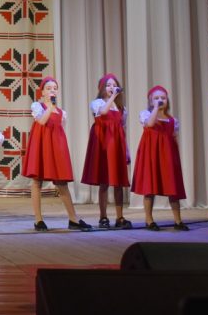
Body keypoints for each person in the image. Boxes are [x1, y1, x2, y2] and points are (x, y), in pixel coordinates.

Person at [22, 77, 92, 232]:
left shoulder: (62, 112)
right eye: (48, 88)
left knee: (62, 183)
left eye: (54, 88)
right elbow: (42, 122)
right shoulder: (37, 106)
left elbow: (59, 130)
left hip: (55, 146)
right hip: (41, 144)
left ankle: (73, 219)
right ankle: (38, 220)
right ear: (42, 92)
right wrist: (50, 107)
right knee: (37, 180)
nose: (52, 90)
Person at [131, 86, 189, 231]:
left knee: (172, 187)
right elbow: (150, 124)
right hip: (151, 155)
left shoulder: (172, 120)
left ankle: (178, 220)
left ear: (167, 100)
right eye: (156, 98)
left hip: (167, 155)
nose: (160, 100)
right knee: (150, 187)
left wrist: (175, 159)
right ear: (151, 101)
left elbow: (174, 139)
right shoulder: (146, 114)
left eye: (163, 98)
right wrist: (156, 109)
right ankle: (149, 220)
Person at [80, 73, 132, 229]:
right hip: (103, 145)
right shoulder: (97, 103)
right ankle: (103, 217)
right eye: (108, 85)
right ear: (102, 88)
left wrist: (126, 150)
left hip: (117, 146)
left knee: (119, 182)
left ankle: (120, 217)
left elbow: (122, 129)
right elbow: (103, 112)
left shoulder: (122, 109)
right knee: (104, 182)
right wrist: (113, 97)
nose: (112, 87)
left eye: (114, 85)